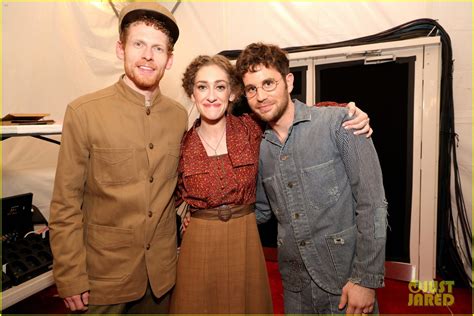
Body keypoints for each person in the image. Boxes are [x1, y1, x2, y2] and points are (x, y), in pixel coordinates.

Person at [169, 54, 372, 314]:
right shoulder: (181, 144)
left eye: (220, 86)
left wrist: (349, 111)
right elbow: (166, 196)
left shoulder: (251, 128)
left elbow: (294, 114)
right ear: (192, 93)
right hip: (198, 242)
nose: (211, 95)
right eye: (202, 87)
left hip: (245, 238)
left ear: (232, 93)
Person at [48, 3, 187, 314]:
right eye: (139, 44)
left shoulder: (179, 117)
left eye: (158, 48)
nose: (148, 56)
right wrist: (70, 275)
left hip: (161, 278)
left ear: (169, 59)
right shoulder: (84, 112)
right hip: (104, 279)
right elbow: (65, 203)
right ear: (120, 49)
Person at [236, 42, 388, 315]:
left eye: (268, 83)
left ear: (288, 81)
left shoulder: (340, 123)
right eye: (251, 89)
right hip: (295, 289)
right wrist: (210, 215)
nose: (261, 96)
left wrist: (366, 279)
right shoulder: (259, 148)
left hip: (345, 283)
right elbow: (260, 212)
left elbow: (372, 204)